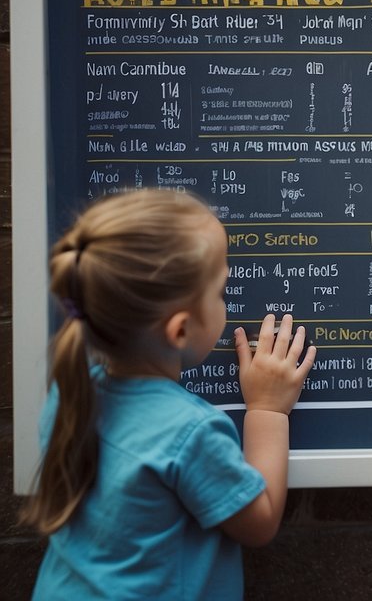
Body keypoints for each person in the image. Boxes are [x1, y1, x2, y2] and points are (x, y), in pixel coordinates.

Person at [21, 189, 317, 600]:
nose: (224, 300)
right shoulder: (191, 435)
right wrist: (268, 408)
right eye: (219, 291)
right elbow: (259, 521)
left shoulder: (69, 393)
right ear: (180, 330)